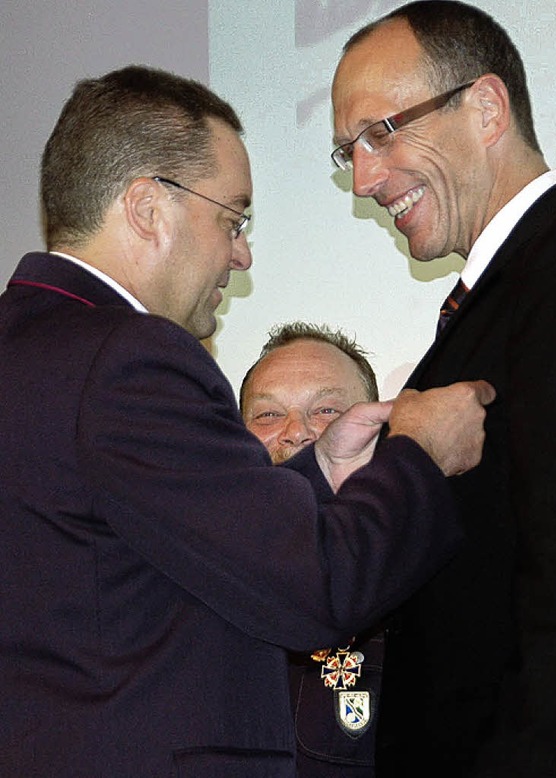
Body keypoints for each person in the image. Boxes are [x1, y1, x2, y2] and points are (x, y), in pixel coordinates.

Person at [0, 64, 496, 776]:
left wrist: (321, 469)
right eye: (232, 218)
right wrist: (416, 454)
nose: (242, 253)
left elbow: (150, 546)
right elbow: (315, 591)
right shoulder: (127, 358)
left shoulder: (29, 349)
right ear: (148, 207)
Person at [331, 2, 556, 776]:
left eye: (381, 133)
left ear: (488, 107)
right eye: (349, 152)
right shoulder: (515, 289)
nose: (365, 178)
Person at [241, 321, 383, 776]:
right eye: (267, 415)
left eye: (325, 410)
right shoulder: (195, 593)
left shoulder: (423, 584)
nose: (297, 433)